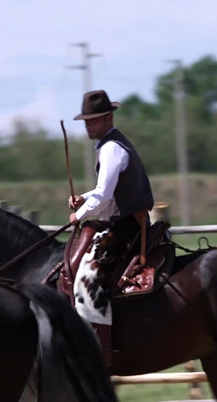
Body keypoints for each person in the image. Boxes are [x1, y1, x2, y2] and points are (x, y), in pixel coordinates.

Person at [65, 89, 154, 366]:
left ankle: (99, 351)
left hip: (128, 226)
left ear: (108, 118)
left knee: (87, 277)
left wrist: (79, 214)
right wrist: (84, 197)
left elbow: (104, 196)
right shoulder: (110, 145)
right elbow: (105, 192)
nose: (89, 126)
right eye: (86, 122)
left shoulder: (112, 148)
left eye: (93, 120)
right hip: (124, 220)